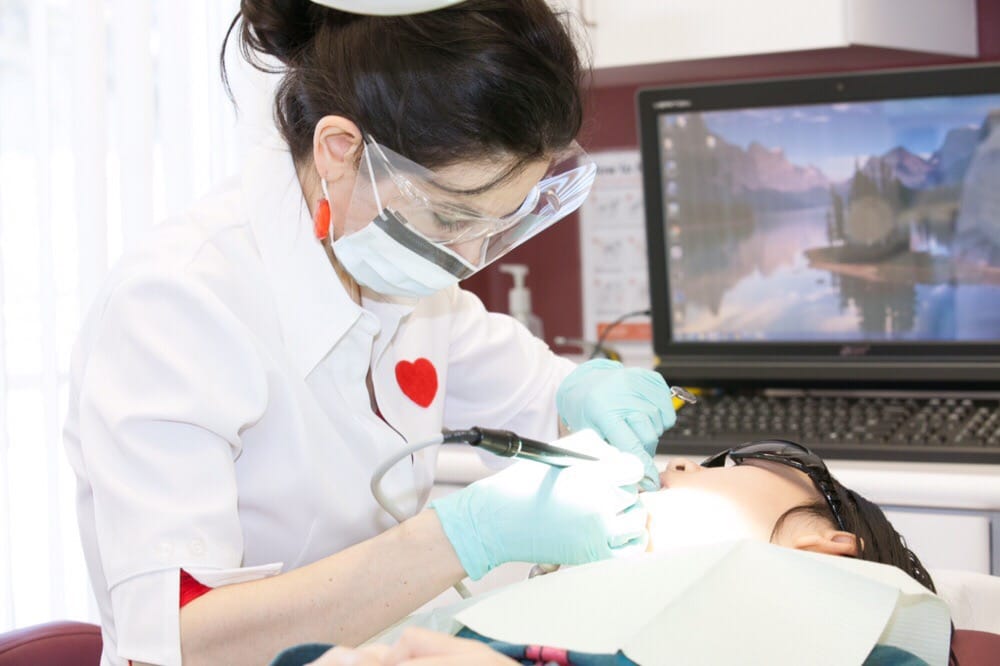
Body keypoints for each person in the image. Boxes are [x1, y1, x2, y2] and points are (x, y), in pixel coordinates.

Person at [61, 1, 678, 665]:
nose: (467, 256)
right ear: (339, 150)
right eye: (450, 216)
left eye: (495, 224)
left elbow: (538, 398)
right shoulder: (177, 306)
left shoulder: (406, 281)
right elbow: (186, 640)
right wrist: (465, 537)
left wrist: (587, 394)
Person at [286, 441, 951, 666]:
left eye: (728, 462)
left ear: (823, 543)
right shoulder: (528, 624)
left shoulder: (859, 650)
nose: (678, 467)